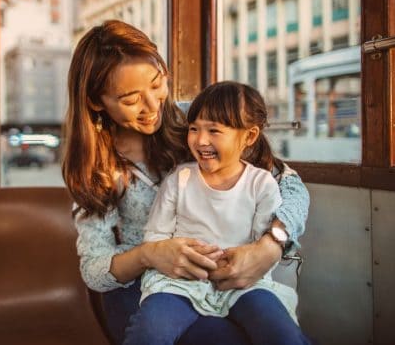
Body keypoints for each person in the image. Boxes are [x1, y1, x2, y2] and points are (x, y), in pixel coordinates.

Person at [61, 20, 309, 345]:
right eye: (130, 98)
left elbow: (291, 187)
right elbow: (94, 269)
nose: (153, 106)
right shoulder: (96, 166)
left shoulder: (196, 123)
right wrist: (150, 255)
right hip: (147, 291)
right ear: (96, 101)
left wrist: (270, 245)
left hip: (222, 282)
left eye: (156, 83)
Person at [122, 81, 310, 345]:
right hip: (179, 284)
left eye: (214, 130)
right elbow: (155, 237)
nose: (200, 140)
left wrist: (241, 261)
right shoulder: (180, 179)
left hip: (244, 285)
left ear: (249, 136)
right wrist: (174, 253)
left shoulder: (262, 184)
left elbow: (260, 249)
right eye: (194, 129)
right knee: (148, 333)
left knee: (283, 335)